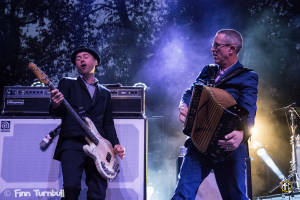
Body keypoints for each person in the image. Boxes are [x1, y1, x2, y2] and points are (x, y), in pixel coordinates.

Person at [172, 29, 258, 200]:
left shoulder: (247, 76)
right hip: (199, 141)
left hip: (227, 146)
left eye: (217, 46)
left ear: (231, 49)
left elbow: (248, 110)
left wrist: (242, 134)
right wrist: (184, 105)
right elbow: (190, 92)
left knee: (236, 196)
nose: (212, 49)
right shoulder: (208, 71)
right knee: (182, 194)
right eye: (213, 45)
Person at [50, 47, 125, 200]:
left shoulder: (105, 93)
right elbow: (55, 112)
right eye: (78, 58)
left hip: (99, 146)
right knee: (71, 188)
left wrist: (115, 144)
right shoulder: (67, 83)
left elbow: (108, 123)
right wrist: (56, 104)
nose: (82, 60)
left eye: (85, 56)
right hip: (73, 142)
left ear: (95, 62)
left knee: (98, 192)